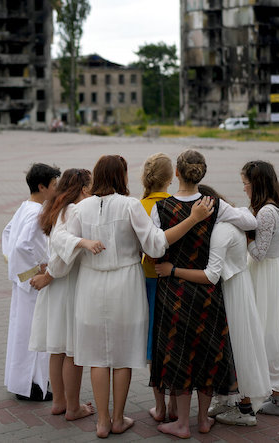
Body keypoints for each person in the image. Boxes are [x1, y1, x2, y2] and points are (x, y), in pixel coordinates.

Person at [60, 155, 215, 438]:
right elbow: (155, 246)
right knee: (122, 356)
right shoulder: (130, 205)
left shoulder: (81, 208)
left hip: (91, 284)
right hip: (125, 284)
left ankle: (102, 422)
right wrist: (192, 220)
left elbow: (61, 243)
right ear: (122, 176)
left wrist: (76, 248)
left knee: (97, 356)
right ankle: (118, 419)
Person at [149, 149, 257, 439]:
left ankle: (181, 423)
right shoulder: (214, 205)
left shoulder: (161, 208)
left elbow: (154, 248)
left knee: (179, 354)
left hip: (173, 291)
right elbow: (251, 223)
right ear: (202, 174)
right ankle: (203, 420)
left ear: (176, 174)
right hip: (208, 292)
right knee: (208, 352)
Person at [28, 168, 97, 420]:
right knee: (72, 349)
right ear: (82, 188)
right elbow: (63, 247)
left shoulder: (58, 208)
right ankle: (73, 407)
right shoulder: (74, 210)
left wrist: (50, 275)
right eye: (89, 186)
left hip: (58, 285)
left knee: (58, 348)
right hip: (66, 283)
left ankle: (59, 402)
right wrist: (50, 275)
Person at [2, 163, 61, 401]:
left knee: (22, 332)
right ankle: (33, 386)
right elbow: (20, 245)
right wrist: (37, 269)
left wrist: (16, 271)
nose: (57, 190)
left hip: (23, 282)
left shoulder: (25, 207)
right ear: (42, 186)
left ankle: (22, 382)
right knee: (34, 333)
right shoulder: (37, 213)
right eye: (54, 186)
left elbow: (7, 234)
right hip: (33, 283)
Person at [241, 160, 279, 416]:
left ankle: (268, 393)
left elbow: (259, 253)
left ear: (256, 183)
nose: (244, 189)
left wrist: (242, 236)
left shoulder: (265, 213)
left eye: (246, 183)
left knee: (263, 331)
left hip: (263, 273)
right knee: (272, 330)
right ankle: (276, 393)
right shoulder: (275, 206)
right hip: (274, 271)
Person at [138, 153, 177, 423]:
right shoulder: (177, 205)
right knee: (172, 339)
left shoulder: (139, 205)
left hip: (147, 278)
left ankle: (160, 406)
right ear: (172, 177)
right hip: (174, 278)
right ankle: (176, 404)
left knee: (153, 341)